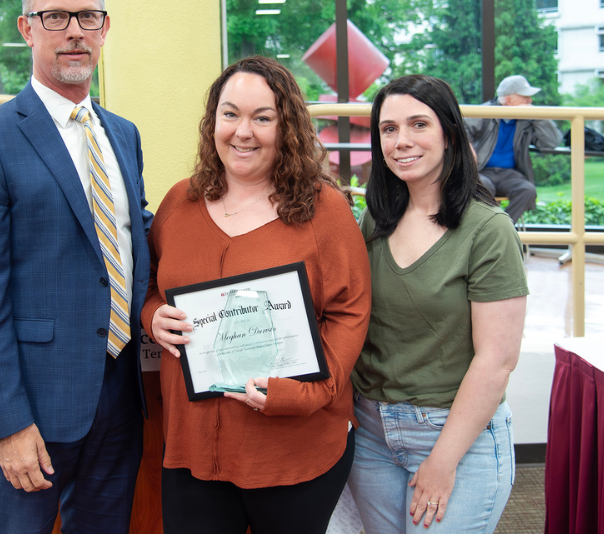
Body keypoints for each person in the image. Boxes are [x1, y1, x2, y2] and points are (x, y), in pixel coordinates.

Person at [0, 0, 152, 533]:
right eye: (56, 16)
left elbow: (133, 235)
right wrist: (6, 423)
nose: (75, 31)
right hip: (30, 406)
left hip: (119, 394)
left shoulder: (124, 135)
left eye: (88, 16)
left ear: (105, 27)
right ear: (26, 27)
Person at [142, 56, 371, 534]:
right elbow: (149, 288)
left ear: (286, 126)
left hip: (293, 449)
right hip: (192, 449)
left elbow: (350, 312)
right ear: (213, 122)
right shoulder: (179, 203)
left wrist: (306, 394)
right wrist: (151, 317)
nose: (242, 132)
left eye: (262, 118)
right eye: (230, 114)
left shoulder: (323, 210)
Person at [347, 74, 528, 533]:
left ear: (448, 134)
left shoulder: (488, 229)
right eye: (389, 129)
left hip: (455, 437)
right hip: (372, 433)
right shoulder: (374, 220)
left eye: (418, 125)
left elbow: (497, 361)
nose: (401, 141)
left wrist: (443, 461)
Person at [465, 74, 562, 223]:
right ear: (509, 100)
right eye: (525, 97)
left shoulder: (526, 119)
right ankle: (489, 231)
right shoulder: (484, 112)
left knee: (527, 190)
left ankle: (503, 228)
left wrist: (538, 115)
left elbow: (552, 141)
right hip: (481, 171)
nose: (530, 101)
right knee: (483, 187)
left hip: (509, 174)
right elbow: (460, 133)